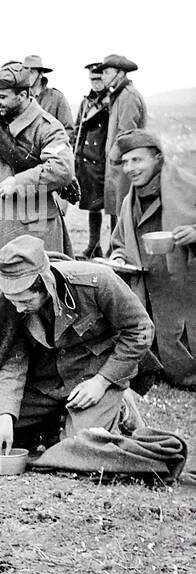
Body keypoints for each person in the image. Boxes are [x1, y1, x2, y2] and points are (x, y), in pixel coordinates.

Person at [0, 235, 156, 456]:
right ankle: (62, 419)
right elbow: (12, 363)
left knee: (83, 446)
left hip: (93, 375)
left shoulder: (97, 282)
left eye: (25, 301)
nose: (17, 309)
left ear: (45, 285)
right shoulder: (13, 301)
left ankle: (121, 407)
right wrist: (5, 418)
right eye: (13, 300)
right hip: (48, 381)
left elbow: (141, 329)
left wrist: (102, 382)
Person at [0, 61, 74, 328]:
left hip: (35, 226)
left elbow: (63, 168)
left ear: (23, 96)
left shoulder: (48, 127)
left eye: (2, 97)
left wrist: (20, 181)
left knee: (38, 302)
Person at [107, 129, 196, 388]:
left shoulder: (189, 189)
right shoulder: (129, 202)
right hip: (147, 293)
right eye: (125, 162)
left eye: (137, 160)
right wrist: (119, 258)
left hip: (185, 293)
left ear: (157, 158)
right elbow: (119, 243)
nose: (130, 168)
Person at [100, 54, 147, 233]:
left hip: (125, 166)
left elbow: (126, 135)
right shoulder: (119, 95)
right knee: (118, 213)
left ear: (120, 74)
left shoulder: (128, 97)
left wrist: (113, 156)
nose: (102, 76)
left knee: (125, 214)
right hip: (118, 166)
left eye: (106, 72)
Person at [74, 63, 111, 258]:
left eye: (98, 78)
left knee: (112, 207)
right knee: (92, 205)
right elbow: (78, 128)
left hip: (103, 160)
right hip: (87, 160)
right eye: (92, 79)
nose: (95, 83)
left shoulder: (111, 101)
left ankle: (114, 247)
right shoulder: (86, 102)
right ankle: (93, 245)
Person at [24, 55, 75, 131]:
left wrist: (56, 142)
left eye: (31, 72)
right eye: (25, 72)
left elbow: (68, 129)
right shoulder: (21, 98)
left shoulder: (57, 98)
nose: (27, 76)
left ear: (40, 74)